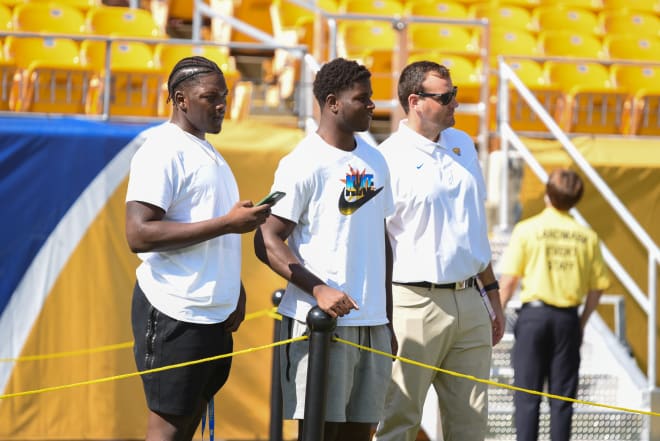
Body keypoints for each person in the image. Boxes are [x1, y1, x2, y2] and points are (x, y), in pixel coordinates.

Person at [124, 56, 272, 441]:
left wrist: (232, 290)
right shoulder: (162, 150)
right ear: (180, 99)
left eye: (224, 95)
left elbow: (214, 232)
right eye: (211, 96)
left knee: (188, 423)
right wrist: (228, 223)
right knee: (168, 428)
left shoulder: (209, 152)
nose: (221, 104)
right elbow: (139, 234)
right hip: (176, 310)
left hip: (211, 313)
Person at [253, 57, 396, 441]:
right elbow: (265, 239)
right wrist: (319, 289)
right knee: (320, 434)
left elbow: (380, 240)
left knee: (359, 436)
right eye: (362, 98)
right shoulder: (302, 162)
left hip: (372, 325)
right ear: (332, 102)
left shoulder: (376, 160)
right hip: (320, 323)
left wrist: (388, 320)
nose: (372, 106)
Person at [373, 60, 506, 441]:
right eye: (445, 97)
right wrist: (383, 313)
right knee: (399, 420)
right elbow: (375, 238)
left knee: (470, 426)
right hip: (412, 302)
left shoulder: (464, 144)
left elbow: (474, 229)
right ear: (415, 101)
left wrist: (492, 294)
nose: (454, 104)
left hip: (471, 299)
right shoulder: (387, 157)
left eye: (455, 95)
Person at [498, 168, 611, 441]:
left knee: (527, 397)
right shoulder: (587, 236)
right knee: (562, 402)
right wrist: (582, 322)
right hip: (567, 320)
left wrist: (497, 314)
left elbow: (510, 280)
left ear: (548, 195)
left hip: (534, 319)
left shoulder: (528, 229)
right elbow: (597, 287)